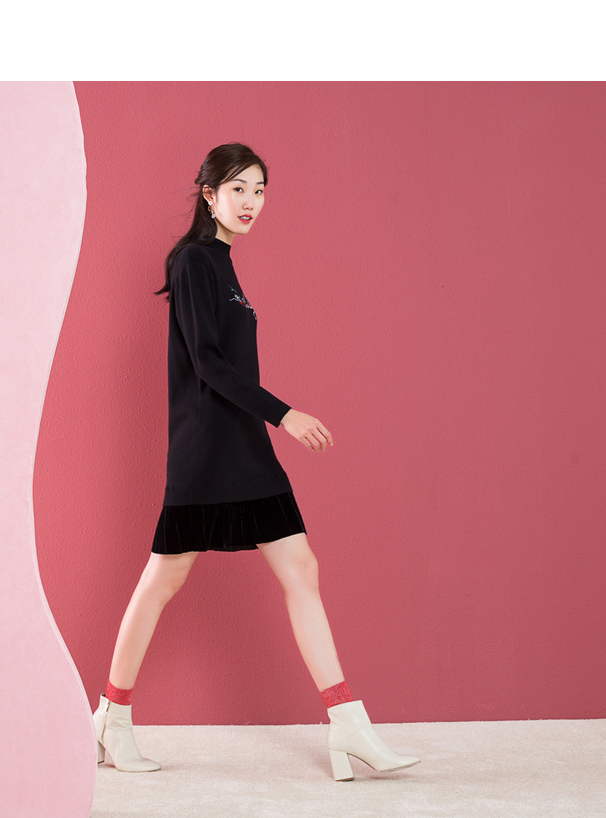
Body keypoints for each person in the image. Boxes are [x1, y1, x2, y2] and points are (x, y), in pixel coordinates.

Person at [92, 142, 420, 782]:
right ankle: (113, 718)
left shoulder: (223, 263)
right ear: (209, 195)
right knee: (163, 579)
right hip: (206, 450)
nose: (250, 202)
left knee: (301, 568)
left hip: (243, 447)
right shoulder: (194, 260)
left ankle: (348, 723)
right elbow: (208, 363)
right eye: (238, 189)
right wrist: (285, 414)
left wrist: (266, 423)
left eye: (260, 190)